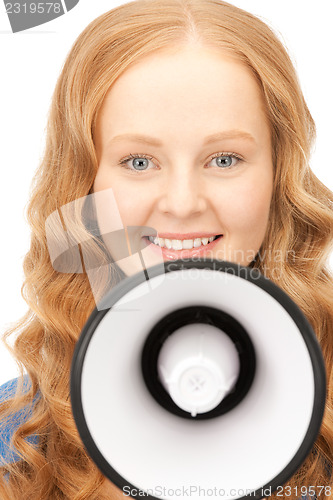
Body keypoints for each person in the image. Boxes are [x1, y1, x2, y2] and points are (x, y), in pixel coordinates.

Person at [0, 0, 332, 498]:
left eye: (224, 158)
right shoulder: (15, 437)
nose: (181, 204)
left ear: (278, 176)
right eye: (138, 162)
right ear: (84, 186)